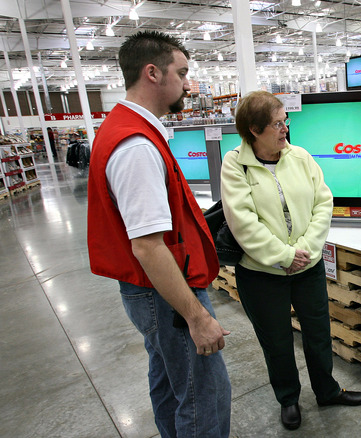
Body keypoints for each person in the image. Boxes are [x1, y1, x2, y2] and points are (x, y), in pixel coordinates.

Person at [86, 31, 231, 438]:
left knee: (171, 383)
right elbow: (148, 247)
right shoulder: (135, 146)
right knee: (205, 397)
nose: (188, 84)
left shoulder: (129, 130)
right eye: (181, 73)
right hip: (165, 292)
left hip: (152, 290)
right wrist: (196, 315)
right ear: (152, 73)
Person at [221, 91, 361, 431]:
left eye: (286, 120)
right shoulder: (236, 164)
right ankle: (288, 398)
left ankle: (327, 390)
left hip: (307, 267)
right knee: (277, 340)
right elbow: (242, 221)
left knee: (318, 332)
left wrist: (305, 250)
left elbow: (323, 203)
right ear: (254, 130)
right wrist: (284, 256)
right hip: (260, 273)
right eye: (277, 123)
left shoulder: (300, 157)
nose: (285, 128)